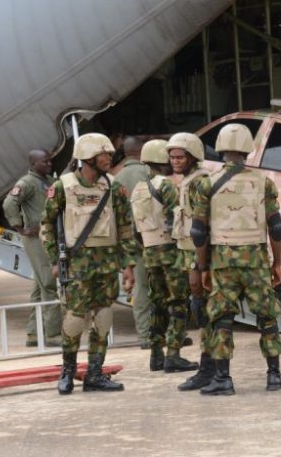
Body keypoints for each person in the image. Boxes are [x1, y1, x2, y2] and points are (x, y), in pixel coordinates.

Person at [188, 123, 281, 395]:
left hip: (223, 261)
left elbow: (198, 232)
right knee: (267, 317)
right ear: (247, 149)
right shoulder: (263, 182)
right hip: (255, 259)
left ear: (220, 148)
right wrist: (276, 263)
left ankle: (223, 379)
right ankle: (274, 375)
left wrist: (203, 265)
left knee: (222, 319)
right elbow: (276, 227)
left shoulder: (206, 184)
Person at [40, 133, 137, 394]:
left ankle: (95, 374)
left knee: (103, 318)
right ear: (88, 158)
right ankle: (68, 371)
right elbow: (47, 225)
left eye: (108, 154)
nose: (109, 158)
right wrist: (53, 259)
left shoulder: (114, 188)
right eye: (103, 154)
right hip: (76, 264)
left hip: (106, 264)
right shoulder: (63, 187)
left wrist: (128, 265)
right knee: (74, 320)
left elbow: (126, 227)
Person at [129, 139, 197, 373]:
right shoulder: (166, 186)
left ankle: (156, 356)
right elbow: (174, 220)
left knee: (157, 304)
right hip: (169, 251)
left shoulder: (138, 189)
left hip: (149, 252)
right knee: (178, 303)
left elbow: (133, 229)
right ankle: (174, 356)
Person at [166, 132, 218, 392]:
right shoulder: (188, 180)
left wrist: (201, 264)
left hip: (198, 255)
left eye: (180, 157)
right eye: (172, 157)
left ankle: (209, 369)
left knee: (205, 311)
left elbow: (201, 226)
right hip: (188, 252)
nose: (175, 161)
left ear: (192, 156)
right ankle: (209, 367)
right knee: (200, 312)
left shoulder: (199, 181)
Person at [3, 149, 62, 347]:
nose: (49, 164)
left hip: (46, 236)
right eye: (45, 162)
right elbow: (9, 203)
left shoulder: (46, 181)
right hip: (36, 237)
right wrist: (20, 227)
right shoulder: (27, 183)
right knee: (48, 282)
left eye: (50, 161)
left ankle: (34, 333)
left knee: (39, 286)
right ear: (34, 163)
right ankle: (53, 334)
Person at [113, 136, 153, 348]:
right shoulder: (148, 173)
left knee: (140, 287)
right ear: (142, 151)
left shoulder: (117, 178)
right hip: (152, 237)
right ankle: (158, 333)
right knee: (161, 286)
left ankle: (145, 335)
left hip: (130, 240)